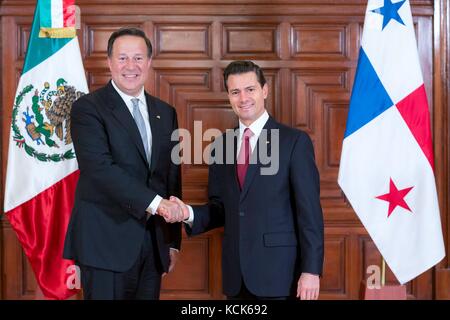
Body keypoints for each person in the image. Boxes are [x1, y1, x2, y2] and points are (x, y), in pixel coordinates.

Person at [160, 60, 324, 300]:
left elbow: (309, 213)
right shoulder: (221, 146)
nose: (243, 98)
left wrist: (311, 270)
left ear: (264, 90)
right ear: (229, 96)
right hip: (236, 278)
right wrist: (187, 213)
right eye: (235, 92)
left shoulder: (294, 142)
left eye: (250, 89)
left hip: (281, 276)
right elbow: (219, 209)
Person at [63, 27, 183, 300]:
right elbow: (100, 170)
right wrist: (158, 204)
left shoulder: (166, 112)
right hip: (105, 243)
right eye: (123, 58)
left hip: (153, 246)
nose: (131, 66)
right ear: (109, 62)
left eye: (139, 58)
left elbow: (170, 177)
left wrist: (172, 242)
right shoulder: (88, 108)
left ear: (150, 62)